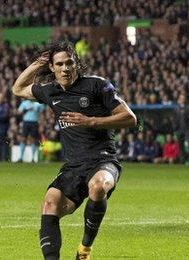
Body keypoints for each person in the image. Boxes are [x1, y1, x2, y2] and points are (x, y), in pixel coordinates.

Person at [12, 41, 137, 259]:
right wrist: (37, 64)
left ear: (76, 64)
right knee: (50, 202)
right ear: (52, 67)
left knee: (98, 187)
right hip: (73, 165)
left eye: (69, 63)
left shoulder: (97, 85)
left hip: (103, 160)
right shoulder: (50, 91)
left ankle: (84, 249)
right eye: (59, 64)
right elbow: (18, 89)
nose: (65, 68)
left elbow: (130, 118)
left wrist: (91, 121)